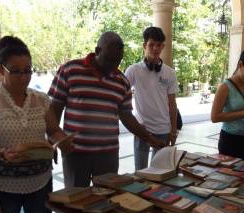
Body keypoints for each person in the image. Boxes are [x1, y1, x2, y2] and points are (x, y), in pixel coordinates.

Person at [0, 36, 73, 213]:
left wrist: (62, 141)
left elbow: (53, 130)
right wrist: (2, 153)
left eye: (28, 71)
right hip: (0, 187)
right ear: (1, 70)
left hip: (40, 183)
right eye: (16, 72)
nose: (24, 77)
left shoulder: (41, 99)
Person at [47, 31, 165, 186]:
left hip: (108, 155)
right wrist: (53, 139)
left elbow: (127, 117)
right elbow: (54, 109)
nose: (112, 66)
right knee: (75, 199)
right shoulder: (70, 70)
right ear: (97, 51)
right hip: (75, 153)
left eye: (117, 61)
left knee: (106, 199)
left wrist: (149, 138)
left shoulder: (121, 81)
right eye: (109, 59)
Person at [124, 26, 179, 171]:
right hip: (142, 130)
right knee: (140, 172)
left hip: (163, 130)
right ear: (144, 46)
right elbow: (121, 94)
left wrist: (173, 131)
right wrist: (134, 121)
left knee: (160, 171)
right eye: (151, 44)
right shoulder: (133, 70)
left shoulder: (170, 73)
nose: (155, 48)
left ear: (163, 46)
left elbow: (172, 104)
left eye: (159, 45)